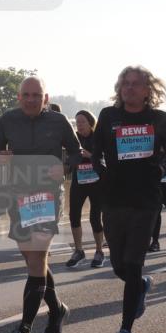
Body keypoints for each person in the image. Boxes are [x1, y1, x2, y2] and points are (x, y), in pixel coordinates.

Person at [0, 77, 81, 333]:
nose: (30, 99)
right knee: (32, 260)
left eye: (36, 95)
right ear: (19, 97)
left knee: (38, 256)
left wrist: (63, 167)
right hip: (19, 196)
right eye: (26, 95)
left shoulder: (58, 121)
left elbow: (77, 152)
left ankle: (24, 328)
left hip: (48, 196)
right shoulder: (8, 120)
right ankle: (57, 309)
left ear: (45, 97)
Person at [91, 66, 166, 333]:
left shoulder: (159, 119)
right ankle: (140, 285)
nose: (129, 88)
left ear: (147, 89)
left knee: (132, 263)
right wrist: (102, 173)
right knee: (118, 265)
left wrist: (162, 169)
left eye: (135, 84)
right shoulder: (108, 116)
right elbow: (96, 152)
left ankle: (126, 330)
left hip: (146, 200)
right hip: (113, 198)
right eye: (125, 84)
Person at [65, 109, 106, 269]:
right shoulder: (73, 139)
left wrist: (90, 155)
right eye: (77, 122)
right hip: (79, 181)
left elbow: (106, 159)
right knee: (73, 215)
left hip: (96, 182)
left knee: (95, 218)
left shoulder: (99, 138)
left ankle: (99, 251)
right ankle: (79, 251)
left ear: (90, 122)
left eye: (82, 122)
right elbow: (68, 160)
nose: (79, 125)